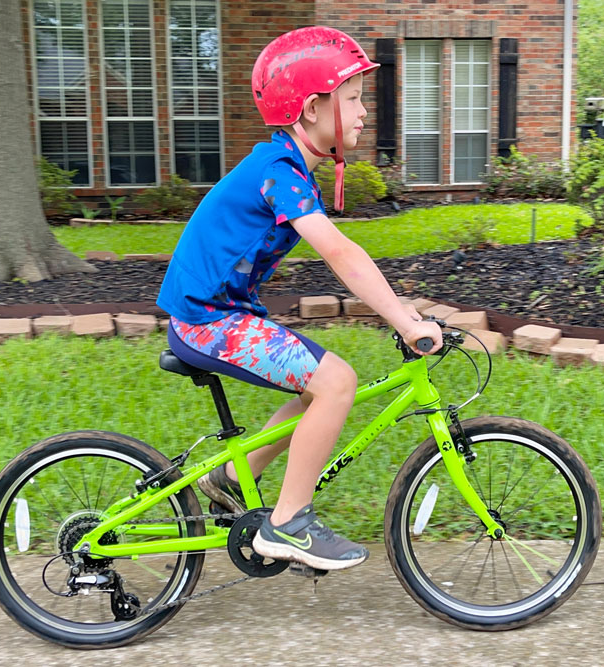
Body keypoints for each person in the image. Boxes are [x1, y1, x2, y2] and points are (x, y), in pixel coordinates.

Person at [156, 26, 442, 572]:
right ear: (313, 108)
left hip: (220, 315)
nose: (363, 111)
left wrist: (402, 310)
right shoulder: (279, 173)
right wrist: (402, 320)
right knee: (336, 381)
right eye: (353, 98)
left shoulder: (285, 167)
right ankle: (289, 523)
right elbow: (340, 254)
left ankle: (230, 479)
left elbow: (345, 257)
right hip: (206, 321)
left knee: (321, 389)